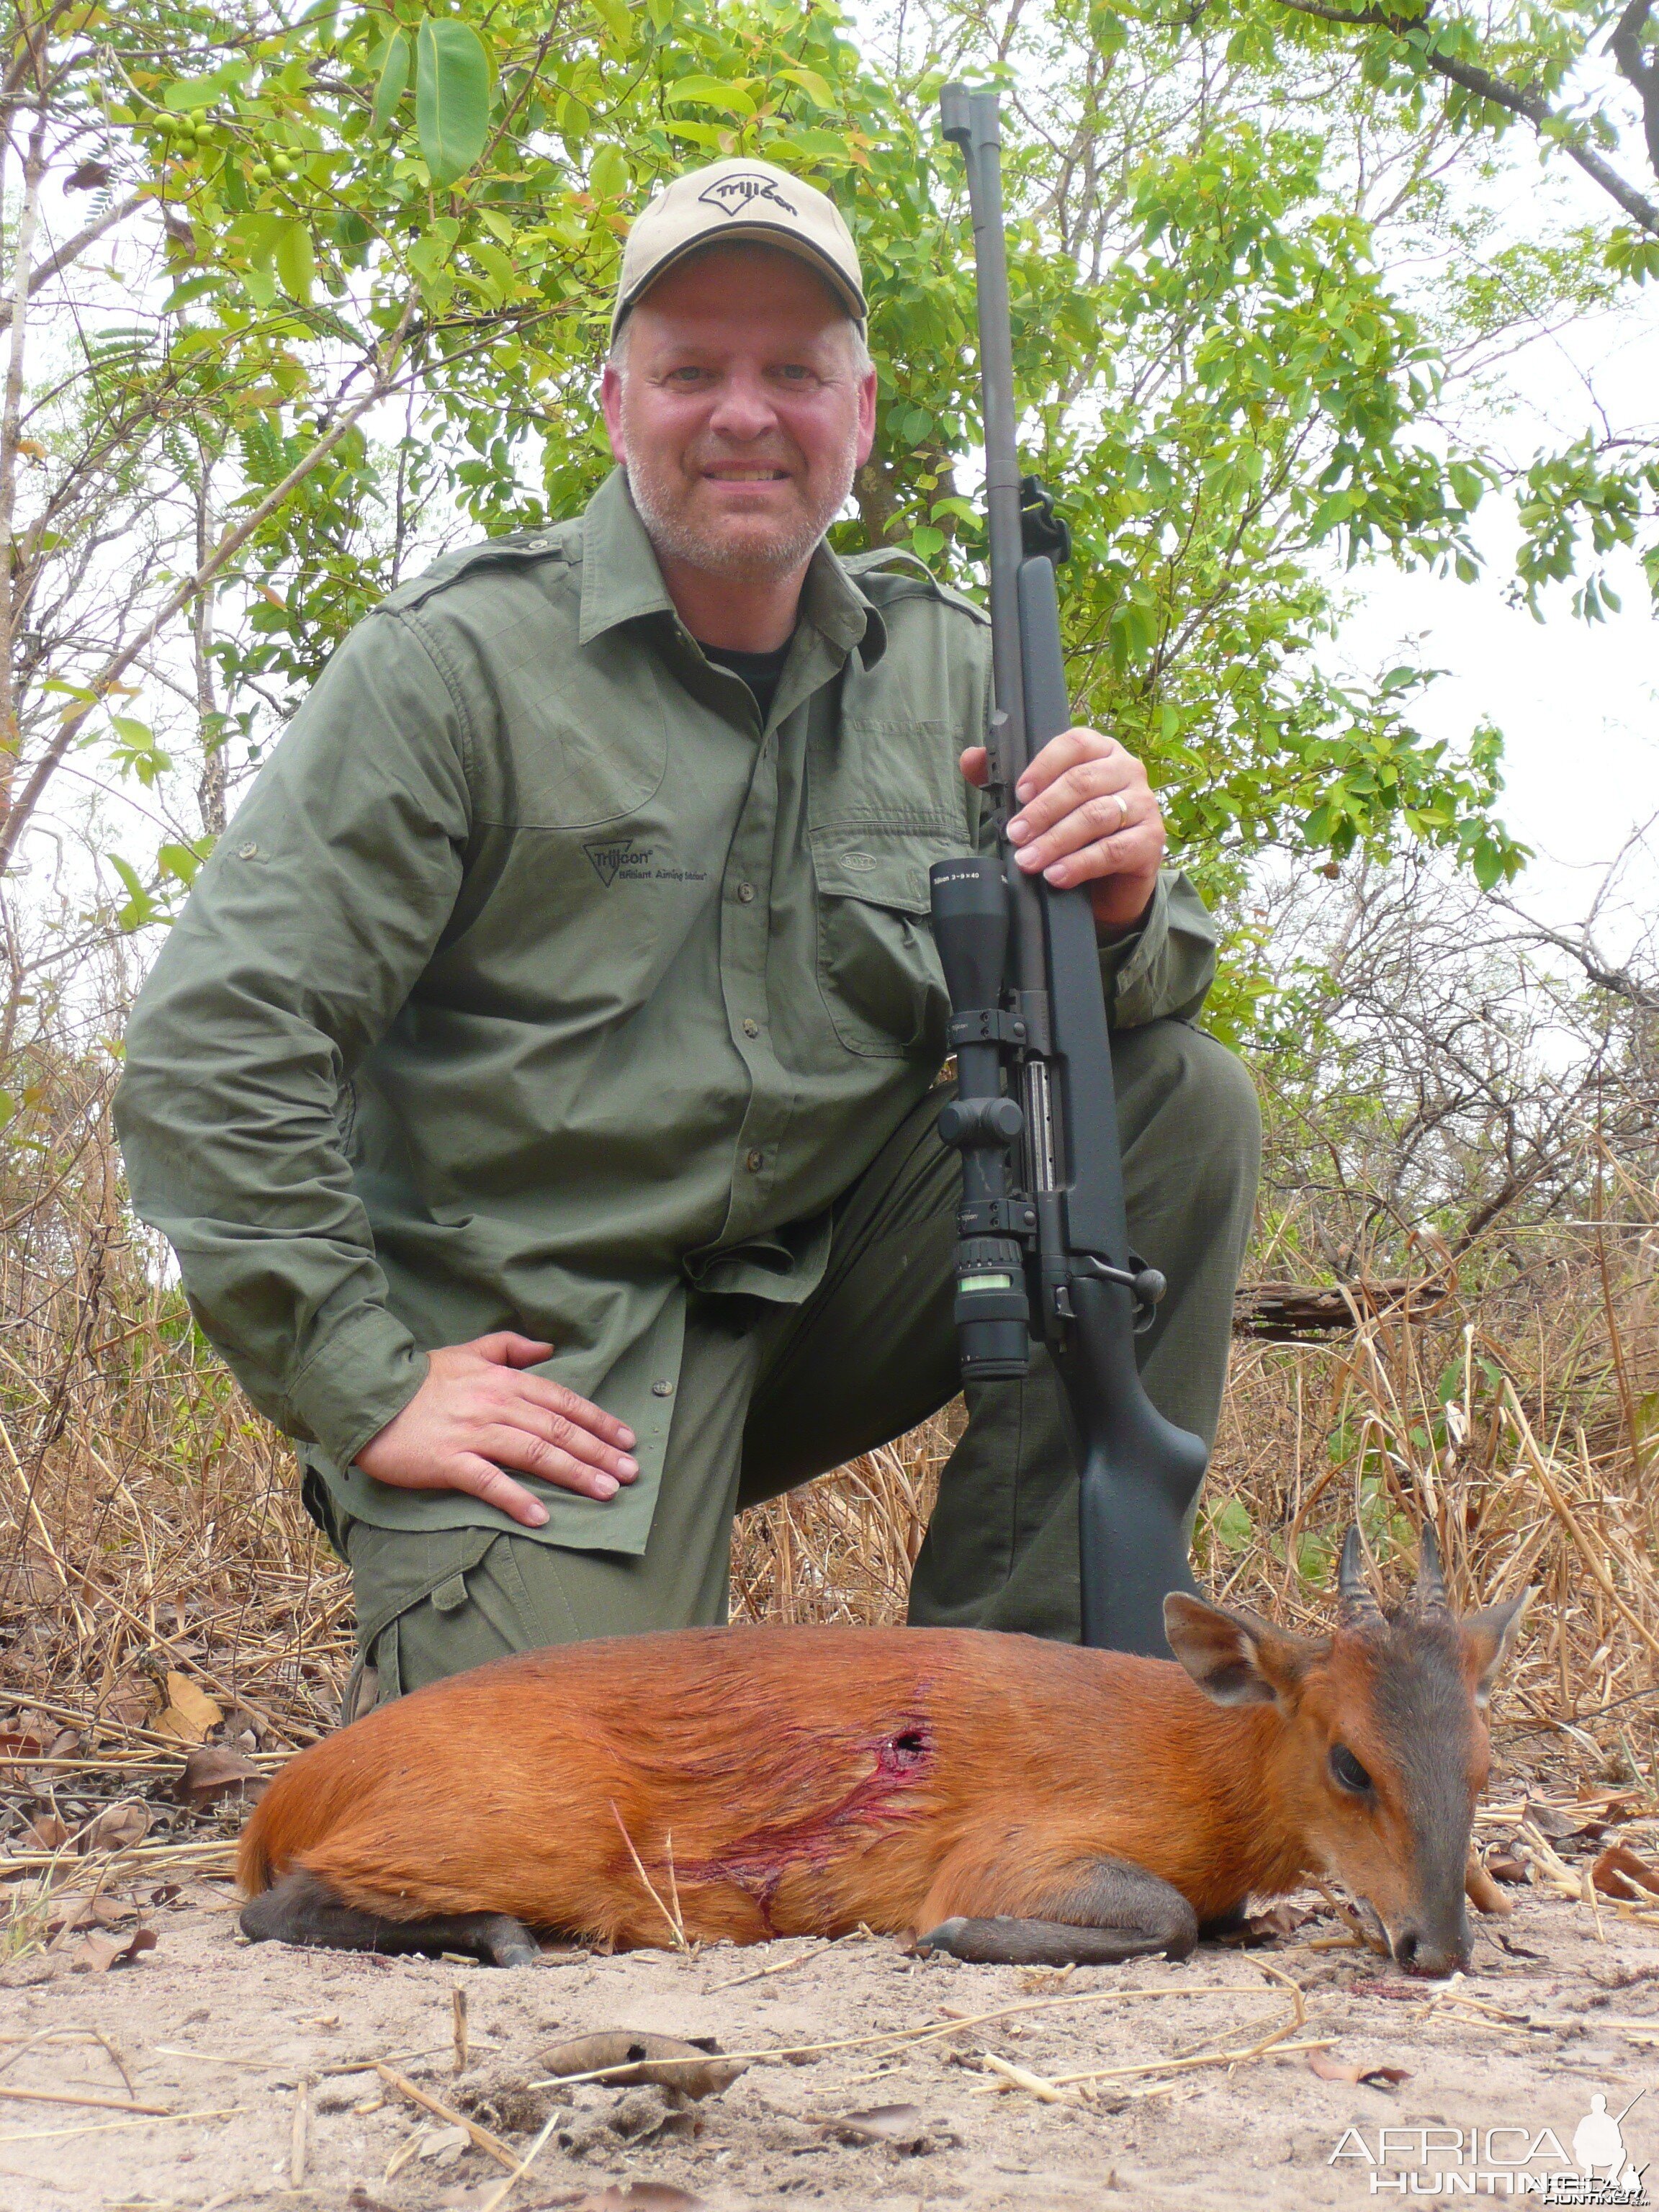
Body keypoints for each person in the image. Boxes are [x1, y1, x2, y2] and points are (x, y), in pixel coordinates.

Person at [115, 157, 1260, 1717]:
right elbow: (214, 1043)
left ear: (857, 419)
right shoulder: (446, 669)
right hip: (551, 1354)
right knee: (567, 1823)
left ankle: (1029, 1702)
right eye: (691, 370)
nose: (743, 413)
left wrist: (1123, 899)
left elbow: (1141, 979)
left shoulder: (957, 672)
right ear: (613, 405)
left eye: (793, 371)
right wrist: (363, 1382)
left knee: (1177, 1096)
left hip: (829, 1293)